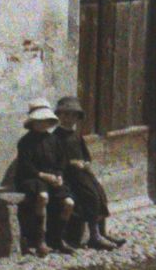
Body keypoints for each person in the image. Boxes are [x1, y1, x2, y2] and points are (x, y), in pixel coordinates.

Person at [53, 95, 122, 251]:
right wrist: (71, 163)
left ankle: (102, 232)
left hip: (82, 174)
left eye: (73, 115)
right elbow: (55, 161)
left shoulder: (76, 136)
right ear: (59, 116)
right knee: (90, 196)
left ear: (77, 118)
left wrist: (85, 163)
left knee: (99, 193)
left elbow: (86, 155)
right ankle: (93, 236)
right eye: (65, 114)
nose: (69, 119)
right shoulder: (56, 137)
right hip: (68, 176)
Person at [13, 99, 75, 257]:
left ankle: (57, 239)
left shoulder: (54, 140)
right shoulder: (25, 142)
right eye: (39, 121)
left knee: (69, 203)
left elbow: (61, 162)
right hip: (32, 178)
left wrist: (59, 176)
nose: (43, 124)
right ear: (33, 122)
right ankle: (40, 241)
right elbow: (25, 166)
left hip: (52, 178)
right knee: (42, 197)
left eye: (46, 120)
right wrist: (43, 175)